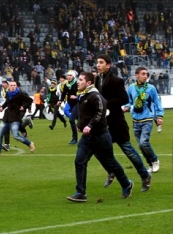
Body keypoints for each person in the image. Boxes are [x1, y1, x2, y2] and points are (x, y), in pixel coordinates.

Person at [67, 72, 134, 202]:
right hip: (87, 138)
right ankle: (81, 192)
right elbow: (85, 114)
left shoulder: (96, 96)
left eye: (80, 80)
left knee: (111, 162)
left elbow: (100, 113)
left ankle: (126, 184)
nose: (78, 82)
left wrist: (90, 126)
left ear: (89, 83)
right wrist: (80, 125)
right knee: (79, 161)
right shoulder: (82, 96)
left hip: (100, 136)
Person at [95, 54, 151, 191]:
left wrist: (106, 103)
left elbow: (124, 99)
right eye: (97, 62)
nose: (98, 65)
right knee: (98, 149)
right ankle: (111, 170)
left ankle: (145, 175)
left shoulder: (116, 80)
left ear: (108, 65)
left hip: (116, 122)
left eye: (101, 62)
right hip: (103, 122)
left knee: (128, 150)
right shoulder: (97, 79)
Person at [123, 66, 163, 175]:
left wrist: (159, 116)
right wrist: (126, 107)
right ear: (136, 75)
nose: (145, 76)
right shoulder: (131, 87)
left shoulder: (151, 88)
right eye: (143, 74)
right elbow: (129, 101)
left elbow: (157, 102)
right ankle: (150, 164)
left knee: (144, 142)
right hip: (135, 120)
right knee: (140, 146)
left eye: (146, 74)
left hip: (147, 118)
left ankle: (155, 160)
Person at [0, 81, 35, 155]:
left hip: (15, 116)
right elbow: (7, 102)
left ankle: (30, 143)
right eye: (11, 85)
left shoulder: (20, 94)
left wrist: (24, 106)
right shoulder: (8, 93)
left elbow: (30, 100)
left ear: (16, 86)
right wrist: (2, 107)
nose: (13, 86)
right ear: (9, 86)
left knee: (16, 135)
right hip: (6, 117)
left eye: (14, 85)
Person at [57, 70, 78, 144]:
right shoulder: (67, 84)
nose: (68, 77)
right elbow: (64, 93)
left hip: (77, 103)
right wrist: (60, 101)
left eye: (70, 75)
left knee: (72, 120)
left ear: (74, 76)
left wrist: (76, 97)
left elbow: (82, 93)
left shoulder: (77, 84)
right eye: (68, 75)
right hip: (70, 103)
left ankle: (75, 138)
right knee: (77, 120)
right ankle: (75, 138)